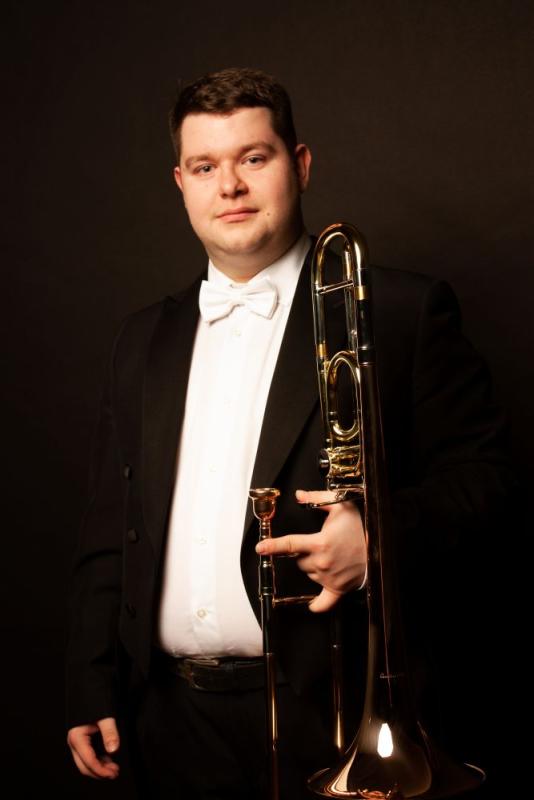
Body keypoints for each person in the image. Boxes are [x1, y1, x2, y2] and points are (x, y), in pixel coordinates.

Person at [65, 67, 512, 799]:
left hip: (331, 711)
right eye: (205, 167)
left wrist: (379, 539)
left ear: (299, 165)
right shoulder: (142, 339)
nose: (229, 186)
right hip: (168, 722)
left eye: (254, 157)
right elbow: (111, 526)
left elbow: (489, 483)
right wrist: (91, 679)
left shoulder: (401, 310)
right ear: (180, 183)